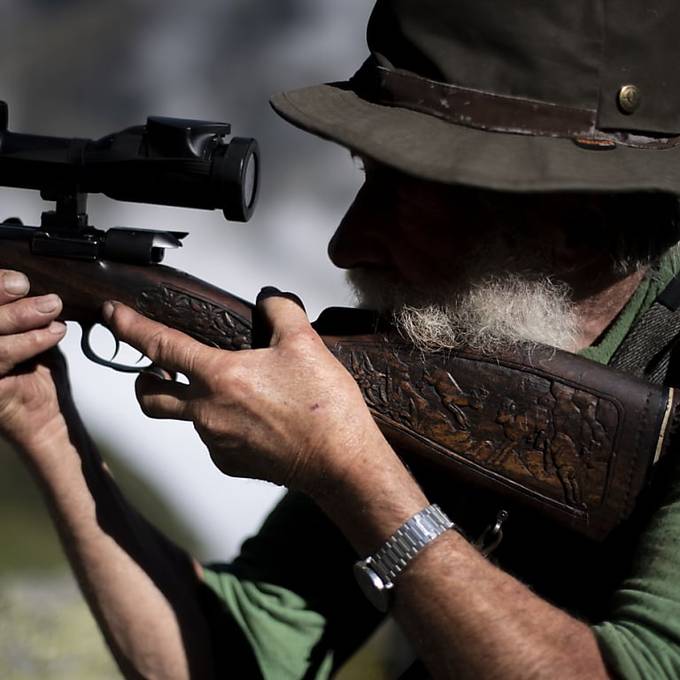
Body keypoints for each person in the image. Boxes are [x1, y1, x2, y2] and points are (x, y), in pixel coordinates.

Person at [3, 1, 680, 678]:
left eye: (405, 190)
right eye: (366, 175)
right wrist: (45, 425)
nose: (345, 243)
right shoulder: (443, 362)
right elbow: (228, 655)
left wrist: (352, 473)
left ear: (575, 227)